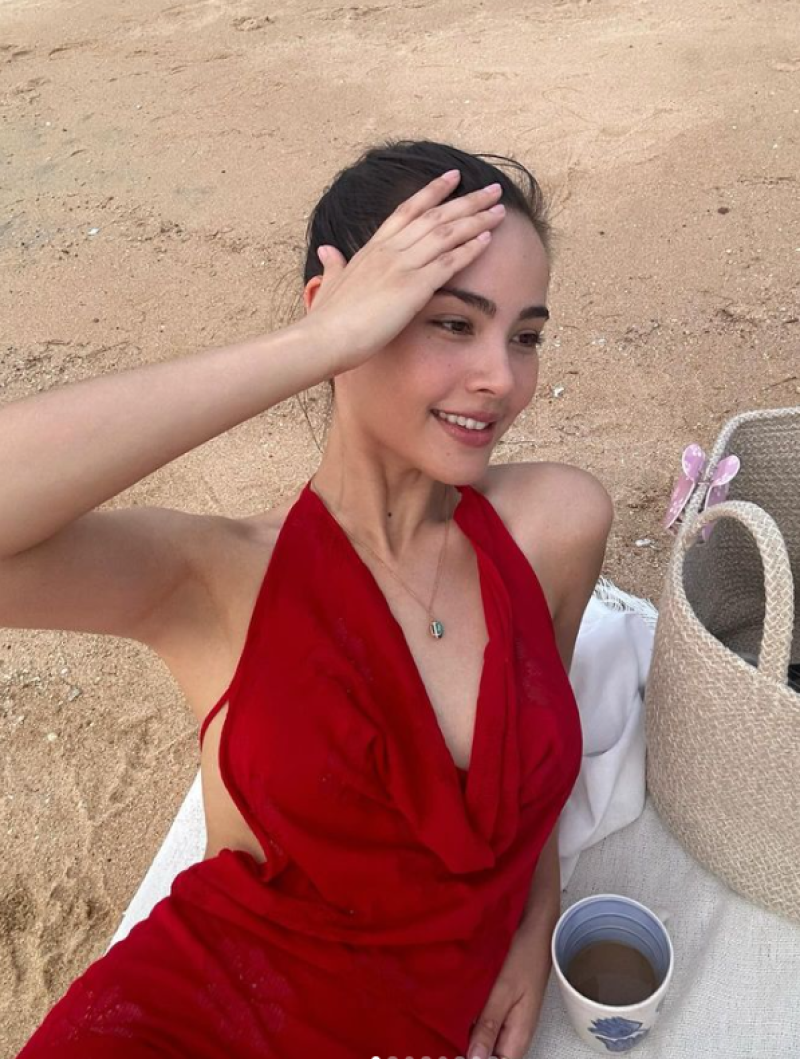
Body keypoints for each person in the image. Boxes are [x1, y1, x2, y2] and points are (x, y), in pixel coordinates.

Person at [4, 138, 613, 1059]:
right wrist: (315, 345)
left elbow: (534, 784)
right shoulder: (217, 578)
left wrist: (536, 916)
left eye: (524, 335)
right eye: (452, 322)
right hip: (194, 1022)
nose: (503, 377)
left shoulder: (554, 528)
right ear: (349, 314)